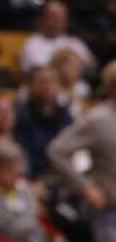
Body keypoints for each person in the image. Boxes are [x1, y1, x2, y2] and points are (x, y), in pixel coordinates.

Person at [49, 61, 116, 242]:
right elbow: (57, 151)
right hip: (109, 212)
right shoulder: (98, 119)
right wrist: (87, 188)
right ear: (112, 87)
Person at [0, 139, 63, 242]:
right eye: (11, 167)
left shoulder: (22, 187)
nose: (18, 171)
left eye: (19, 165)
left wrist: (56, 236)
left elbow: (43, 224)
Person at [14, 66, 73, 178]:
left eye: (52, 82)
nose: (47, 86)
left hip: (63, 176)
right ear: (30, 86)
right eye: (42, 82)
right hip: (31, 177)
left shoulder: (65, 115)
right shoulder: (19, 115)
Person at [20, 0, 95, 74]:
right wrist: (57, 61)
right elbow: (29, 72)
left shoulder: (75, 43)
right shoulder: (33, 43)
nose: (56, 22)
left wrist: (74, 60)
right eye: (53, 17)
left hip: (76, 85)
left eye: (60, 17)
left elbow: (92, 67)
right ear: (43, 19)